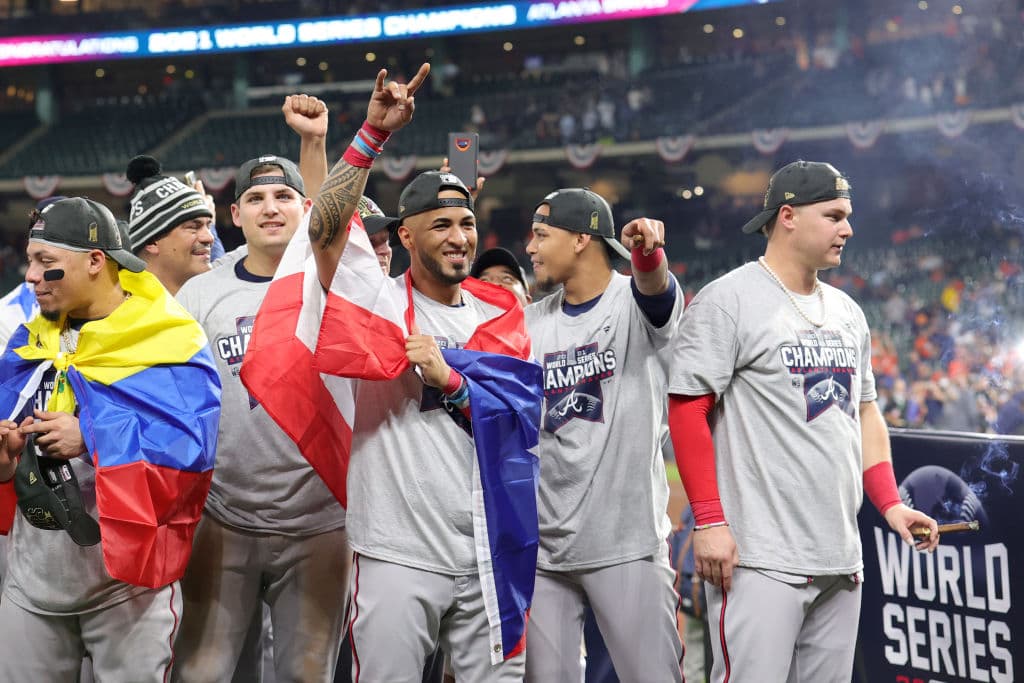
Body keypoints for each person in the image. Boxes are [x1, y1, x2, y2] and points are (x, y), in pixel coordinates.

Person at [245, 65, 542, 682]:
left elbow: (521, 417)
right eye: (441, 225)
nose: (459, 238)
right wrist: (372, 134)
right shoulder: (377, 305)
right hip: (396, 552)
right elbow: (325, 229)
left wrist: (451, 379)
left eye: (466, 224)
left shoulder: (503, 313)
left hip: (490, 546)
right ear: (404, 236)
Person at [667, 160, 940, 682]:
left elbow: (864, 411)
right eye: (834, 216)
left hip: (840, 554)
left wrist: (889, 503)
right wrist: (710, 521)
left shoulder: (847, 311)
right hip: (759, 557)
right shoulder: (729, 300)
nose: (848, 229)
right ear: (788, 216)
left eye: (848, 216)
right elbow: (687, 409)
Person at [0, 197, 220, 682]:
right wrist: (6, 463)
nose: (30, 276)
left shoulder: (169, 340)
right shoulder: (30, 339)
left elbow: (191, 457)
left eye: (45, 262)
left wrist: (90, 435)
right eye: (30, 260)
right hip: (32, 582)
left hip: (128, 588)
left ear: (96, 261)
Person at [172, 93, 349, 683]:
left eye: (283, 197)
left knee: (305, 675)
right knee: (202, 673)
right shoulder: (200, 294)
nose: (270, 208)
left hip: (319, 521)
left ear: (304, 207)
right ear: (235, 214)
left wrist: (314, 143)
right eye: (255, 198)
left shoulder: (331, 282)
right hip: (224, 516)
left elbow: (334, 223)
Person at [522, 188, 684, 682]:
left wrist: (648, 254)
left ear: (580, 239)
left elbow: (656, 292)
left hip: (626, 544)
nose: (530, 247)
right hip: (546, 551)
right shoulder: (531, 323)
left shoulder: (631, 304)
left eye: (541, 235)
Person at [125, 155, 216, 295]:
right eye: (193, 227)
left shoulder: (213, 299)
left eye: (208, 226)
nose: (210, 237)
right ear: (152, 242)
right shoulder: (123, 307)